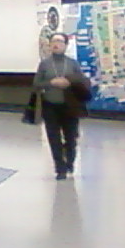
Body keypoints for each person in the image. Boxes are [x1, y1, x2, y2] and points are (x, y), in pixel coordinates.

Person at [33, 31, 91, 178]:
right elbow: (36, 84)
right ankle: (60, 168)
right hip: (50, 106)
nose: (56, 44)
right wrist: (51, 83)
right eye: (53, 41)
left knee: (71, 138)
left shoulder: (72, 63)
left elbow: (82, 81)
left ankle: (70, 161)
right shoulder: (44, 64)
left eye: (59, 41)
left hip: (70, 106)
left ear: (65, 45)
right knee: (54, 138)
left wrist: (69, 82)